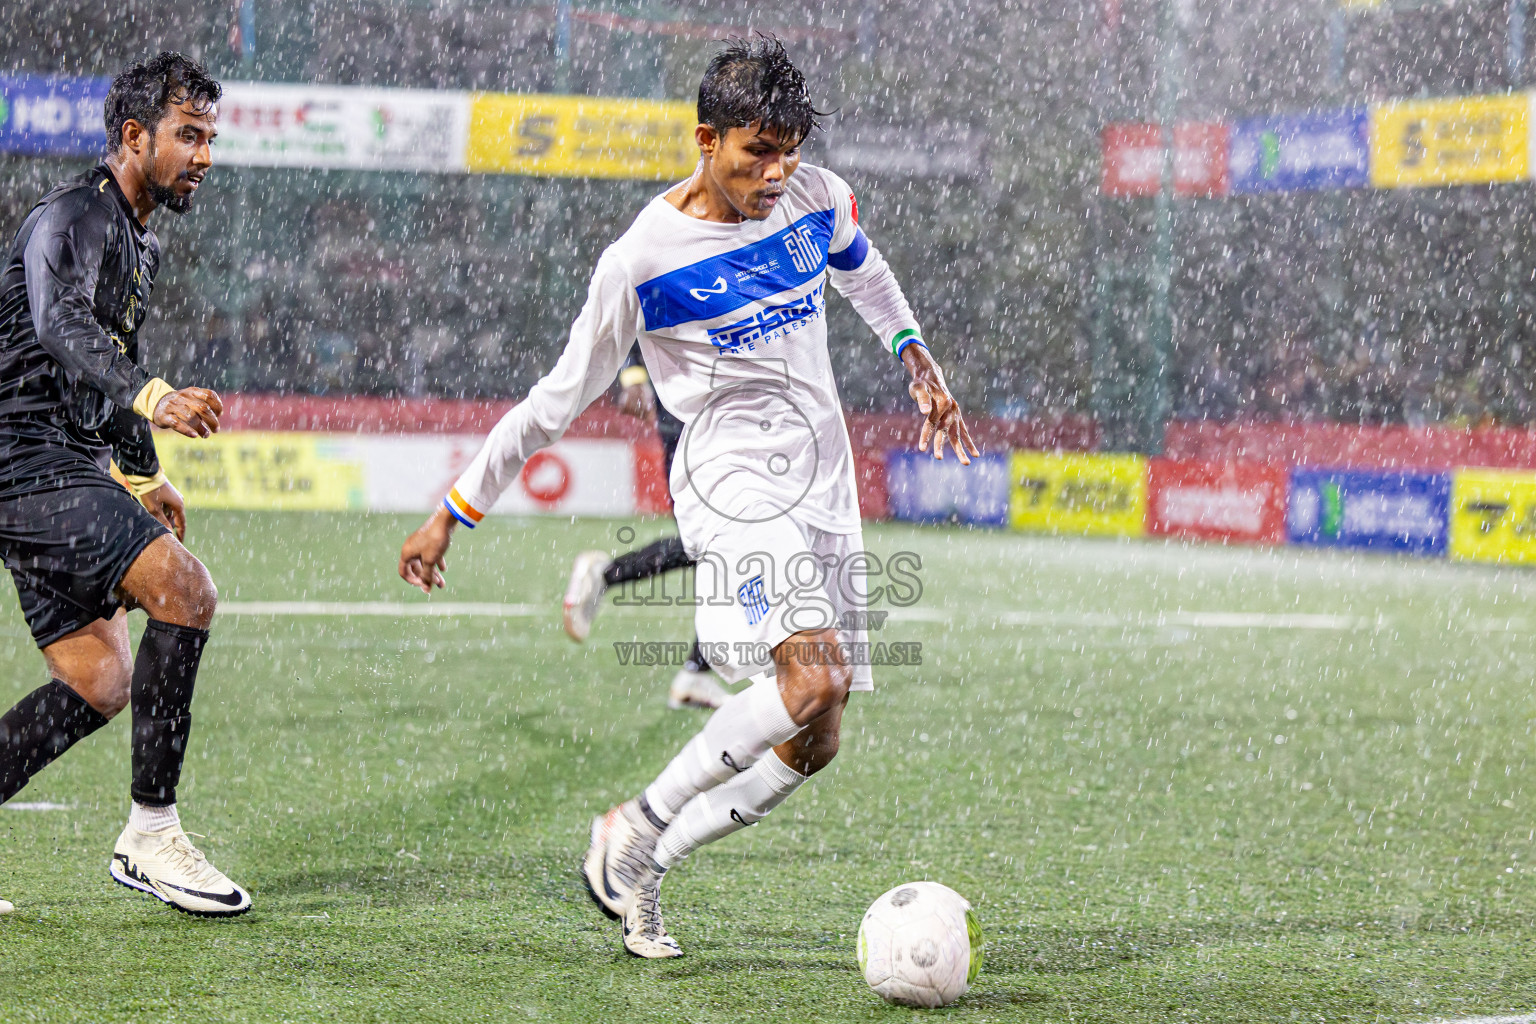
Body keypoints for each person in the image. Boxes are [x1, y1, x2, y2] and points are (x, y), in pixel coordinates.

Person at [398, 38, 976, 958]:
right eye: (757, 152)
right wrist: (451, 511)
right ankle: (636, 820)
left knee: (817, 736)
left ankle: (650, 865)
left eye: (790, 150)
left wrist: (913, 352)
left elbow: (864, 269)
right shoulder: (641, 260)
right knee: (813, 675)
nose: (777, 172)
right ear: (705, 139)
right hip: (728, 480)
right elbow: (553, 402)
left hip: (824, 483)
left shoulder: (815, 196)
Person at [0, 52, 248, 917]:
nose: (205, 156)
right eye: (189, 135)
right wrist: (153, 398)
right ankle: (150, 834)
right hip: (23, 465)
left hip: (50, 464)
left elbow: (113, 357)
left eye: (210, 138)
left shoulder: (133, 236)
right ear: (133, 136)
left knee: (98, 680)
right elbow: (60, 324)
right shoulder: (72, 216)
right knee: (186, 590)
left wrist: (144, 473)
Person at [561, 344, 730, 711]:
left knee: (715, 547)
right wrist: (634, 375)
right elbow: (635, 300)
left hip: (716, 416)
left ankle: (696, 673)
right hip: (700, 420)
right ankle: (606, 574)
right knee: (720, 544)